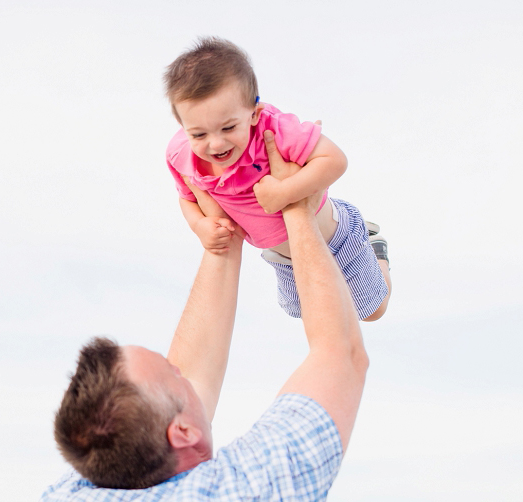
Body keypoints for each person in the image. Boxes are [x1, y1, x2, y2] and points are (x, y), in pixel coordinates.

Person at [34, 133, 369, 502]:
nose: (182, 371)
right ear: (182, 433)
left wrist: (221, 242)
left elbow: (182, 387)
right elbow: (340, 354)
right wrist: (295, 208)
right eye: (173, 375)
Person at [165, 37, 391, 321]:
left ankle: (376, 250)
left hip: (335, 237)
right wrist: (199, 225)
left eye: (228, 127)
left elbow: (335, 160)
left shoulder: (273, 131)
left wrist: (284, 192)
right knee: (312, 317)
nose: (215, 144)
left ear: (254, 114)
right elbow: (187, 198)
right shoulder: (181, 156)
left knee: (371, 311)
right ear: (183, 126)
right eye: (199, 134)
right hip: (285, 258)